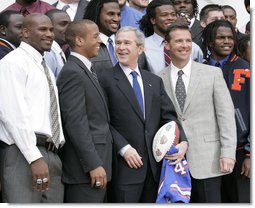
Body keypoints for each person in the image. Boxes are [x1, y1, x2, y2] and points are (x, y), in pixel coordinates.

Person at [98, 26, 188, 203]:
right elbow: (102, 120)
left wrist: (183, 141)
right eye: (118, 43)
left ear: (140, 48)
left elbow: (168, 116)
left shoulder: (153, 80)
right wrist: (124, 148)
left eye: (127, 43)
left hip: (155, 170)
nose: (121, 47)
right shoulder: (104, 79)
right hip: (124, 168)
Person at [157, 22, 237, 203]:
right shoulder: (157, 78)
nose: (185, 45)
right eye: (178, 41)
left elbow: (226, 116)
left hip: (208, 159)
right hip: (172, 162)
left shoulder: (213, 73)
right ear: (167, 45)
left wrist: (228, 154)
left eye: (188, 40)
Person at [0, 13, 65, 203]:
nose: (50, 34)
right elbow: (12, 114)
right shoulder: (13, 63)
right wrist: (34, 157)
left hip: (52, 153)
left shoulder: (44, 67)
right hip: (24, 153)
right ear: (25, 32)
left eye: (51, 29)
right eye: (43, 29)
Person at [56, 19, 113, 203]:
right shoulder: (72, 72)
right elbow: (75, 123)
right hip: (85, 171)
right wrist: (93, 164)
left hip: (98, 165)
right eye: (95, 36)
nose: (100, 41)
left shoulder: (86, 69)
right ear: (79, 41)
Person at [202, 19, 250, 203]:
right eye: (221, 37)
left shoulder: (245, 69)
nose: (227, 41)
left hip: (239, 151)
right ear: (210, 41)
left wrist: (249, 154)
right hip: (209, 152)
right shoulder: (201, 68)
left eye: (230, 37)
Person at [139, 0, 203, 74]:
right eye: (164, 15)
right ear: (153, 20)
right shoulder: (142, 46)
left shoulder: (192, 47)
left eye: (173, 14)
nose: (170, 18)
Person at [83, 0, 121, 73]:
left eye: (118, 15)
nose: (116, 19)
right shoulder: (85, 46)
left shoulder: (128, 42)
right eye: (111, 14)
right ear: (96, 14)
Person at [44, 9, 71, 78]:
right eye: (63, 24)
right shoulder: (48, 52)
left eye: (70, 24)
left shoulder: (57, 50)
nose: (69, 28)